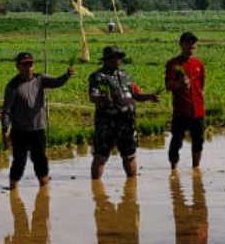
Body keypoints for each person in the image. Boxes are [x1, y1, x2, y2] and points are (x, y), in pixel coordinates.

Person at [1, 51, 74, 188]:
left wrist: (66, 76)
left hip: (38, 129)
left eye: (31, 64)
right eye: (25, 65)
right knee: (19, 162)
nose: (28, 67)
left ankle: (44, 189)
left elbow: (56, 82)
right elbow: (6, 110)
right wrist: (5, 129)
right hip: (20, 131)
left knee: (40, 160)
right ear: (18, 66)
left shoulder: (40, 79)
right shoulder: (13, 85)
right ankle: (12, 188)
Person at [88, 45, 159, 179]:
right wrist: (103, 99)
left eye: (119, 57)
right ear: (106, 59)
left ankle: (131, 188)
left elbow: (136, 94)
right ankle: (96, 186)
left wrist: (149, 96)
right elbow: (93, 96)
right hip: (106, 124)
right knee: (100, 156)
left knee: (129, 155)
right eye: (114, 57)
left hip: (127, 123)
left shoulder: (126, 76)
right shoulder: (98, 77)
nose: (117, 60)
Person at [165, 31, 206, 169]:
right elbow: (168, 86)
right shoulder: (173, 64)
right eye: (188, 42)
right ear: (181, 44)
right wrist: (180, 84)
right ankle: (173, 169)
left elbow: (201, 86)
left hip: (198, 110)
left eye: (193, 42)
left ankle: (196, 168)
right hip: (181, 111)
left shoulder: (199, 64)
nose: (191, 45)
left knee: (198, 140)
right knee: (176, 141)